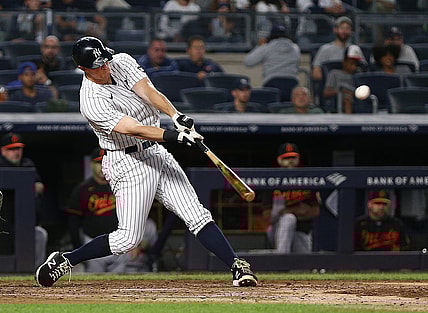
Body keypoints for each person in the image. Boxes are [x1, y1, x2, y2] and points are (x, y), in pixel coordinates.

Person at [35, 36, 257, 287]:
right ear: (84, 69)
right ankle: (65, 260)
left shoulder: (120, 61)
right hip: (127, 162)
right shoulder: (91, 100)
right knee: (127, 239)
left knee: (196, 215)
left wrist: (176, 116)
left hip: (156, 152)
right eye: (98, 65)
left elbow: (148, 91)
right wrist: (174, 136)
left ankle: (237, 265)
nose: (105, 66)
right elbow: (134, 129)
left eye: (105, 60)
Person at [66, 147, 157, 272]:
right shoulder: (82, 189)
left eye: (106, 161)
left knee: (118, 284)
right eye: (99, 162)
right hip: (92, 243)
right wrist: (78, 251)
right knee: (92, 284)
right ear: (91, 164)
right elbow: (73, 222)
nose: (103, 166)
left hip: (117, 244)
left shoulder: (123, 186)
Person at [0, 132, 48, 267]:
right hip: (4, 221)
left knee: (40, 234)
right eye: (11, 149)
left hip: (25, 221)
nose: (16, 152)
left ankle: (38, 271)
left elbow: (39, 186)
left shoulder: (27, 164)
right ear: (3, 151)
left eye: (18, 149)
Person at [267, 142, 321, 253]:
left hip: (301, 231)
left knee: (304, 267)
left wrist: (286, 211)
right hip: (278, 230)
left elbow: (315, 211)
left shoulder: (307, 181)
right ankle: (280, 263)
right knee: (289, 219)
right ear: (279, 160)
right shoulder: (272, 181)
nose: (290, 161)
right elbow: (266, 216)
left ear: (298, 159)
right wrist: (295, 211)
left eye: (293, 157)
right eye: (286, 158)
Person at [323, 45, 366, 114]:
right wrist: (341, 91)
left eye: (356, 64)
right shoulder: (334, 73)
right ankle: (349, 122)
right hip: (340, 99)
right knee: (347, 98)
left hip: (358, 98)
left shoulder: (360, 74)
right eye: (351, 63)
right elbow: (326, 92)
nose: (354, 66)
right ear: (344, 62)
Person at [311, 16, 353, 82]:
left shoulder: (354, 49)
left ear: (351, 31)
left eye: (347, 28)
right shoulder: (325, 49)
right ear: (335, 30)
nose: (344, 31)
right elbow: (316, 73)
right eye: (342, 28)